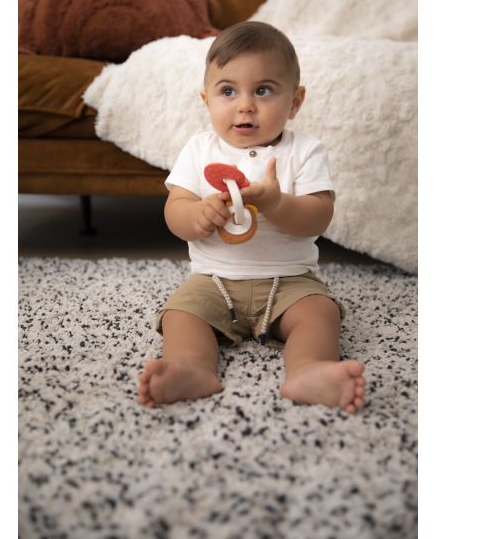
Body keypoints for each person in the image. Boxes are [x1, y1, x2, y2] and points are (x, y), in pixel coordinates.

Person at [138, 21, 365, 413]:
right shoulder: (199, 150)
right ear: (207, 99)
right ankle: (190, 368)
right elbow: (175, 211)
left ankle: (309, 369)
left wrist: (277, 203)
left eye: (263, 90)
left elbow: (318, 217)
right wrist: (198, 214)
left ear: (295, 101)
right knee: (181, 313)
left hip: (289, 281)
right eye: (228, 91)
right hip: (213, 281)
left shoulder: (305, 151)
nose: (245, 105)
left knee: (319, 313)